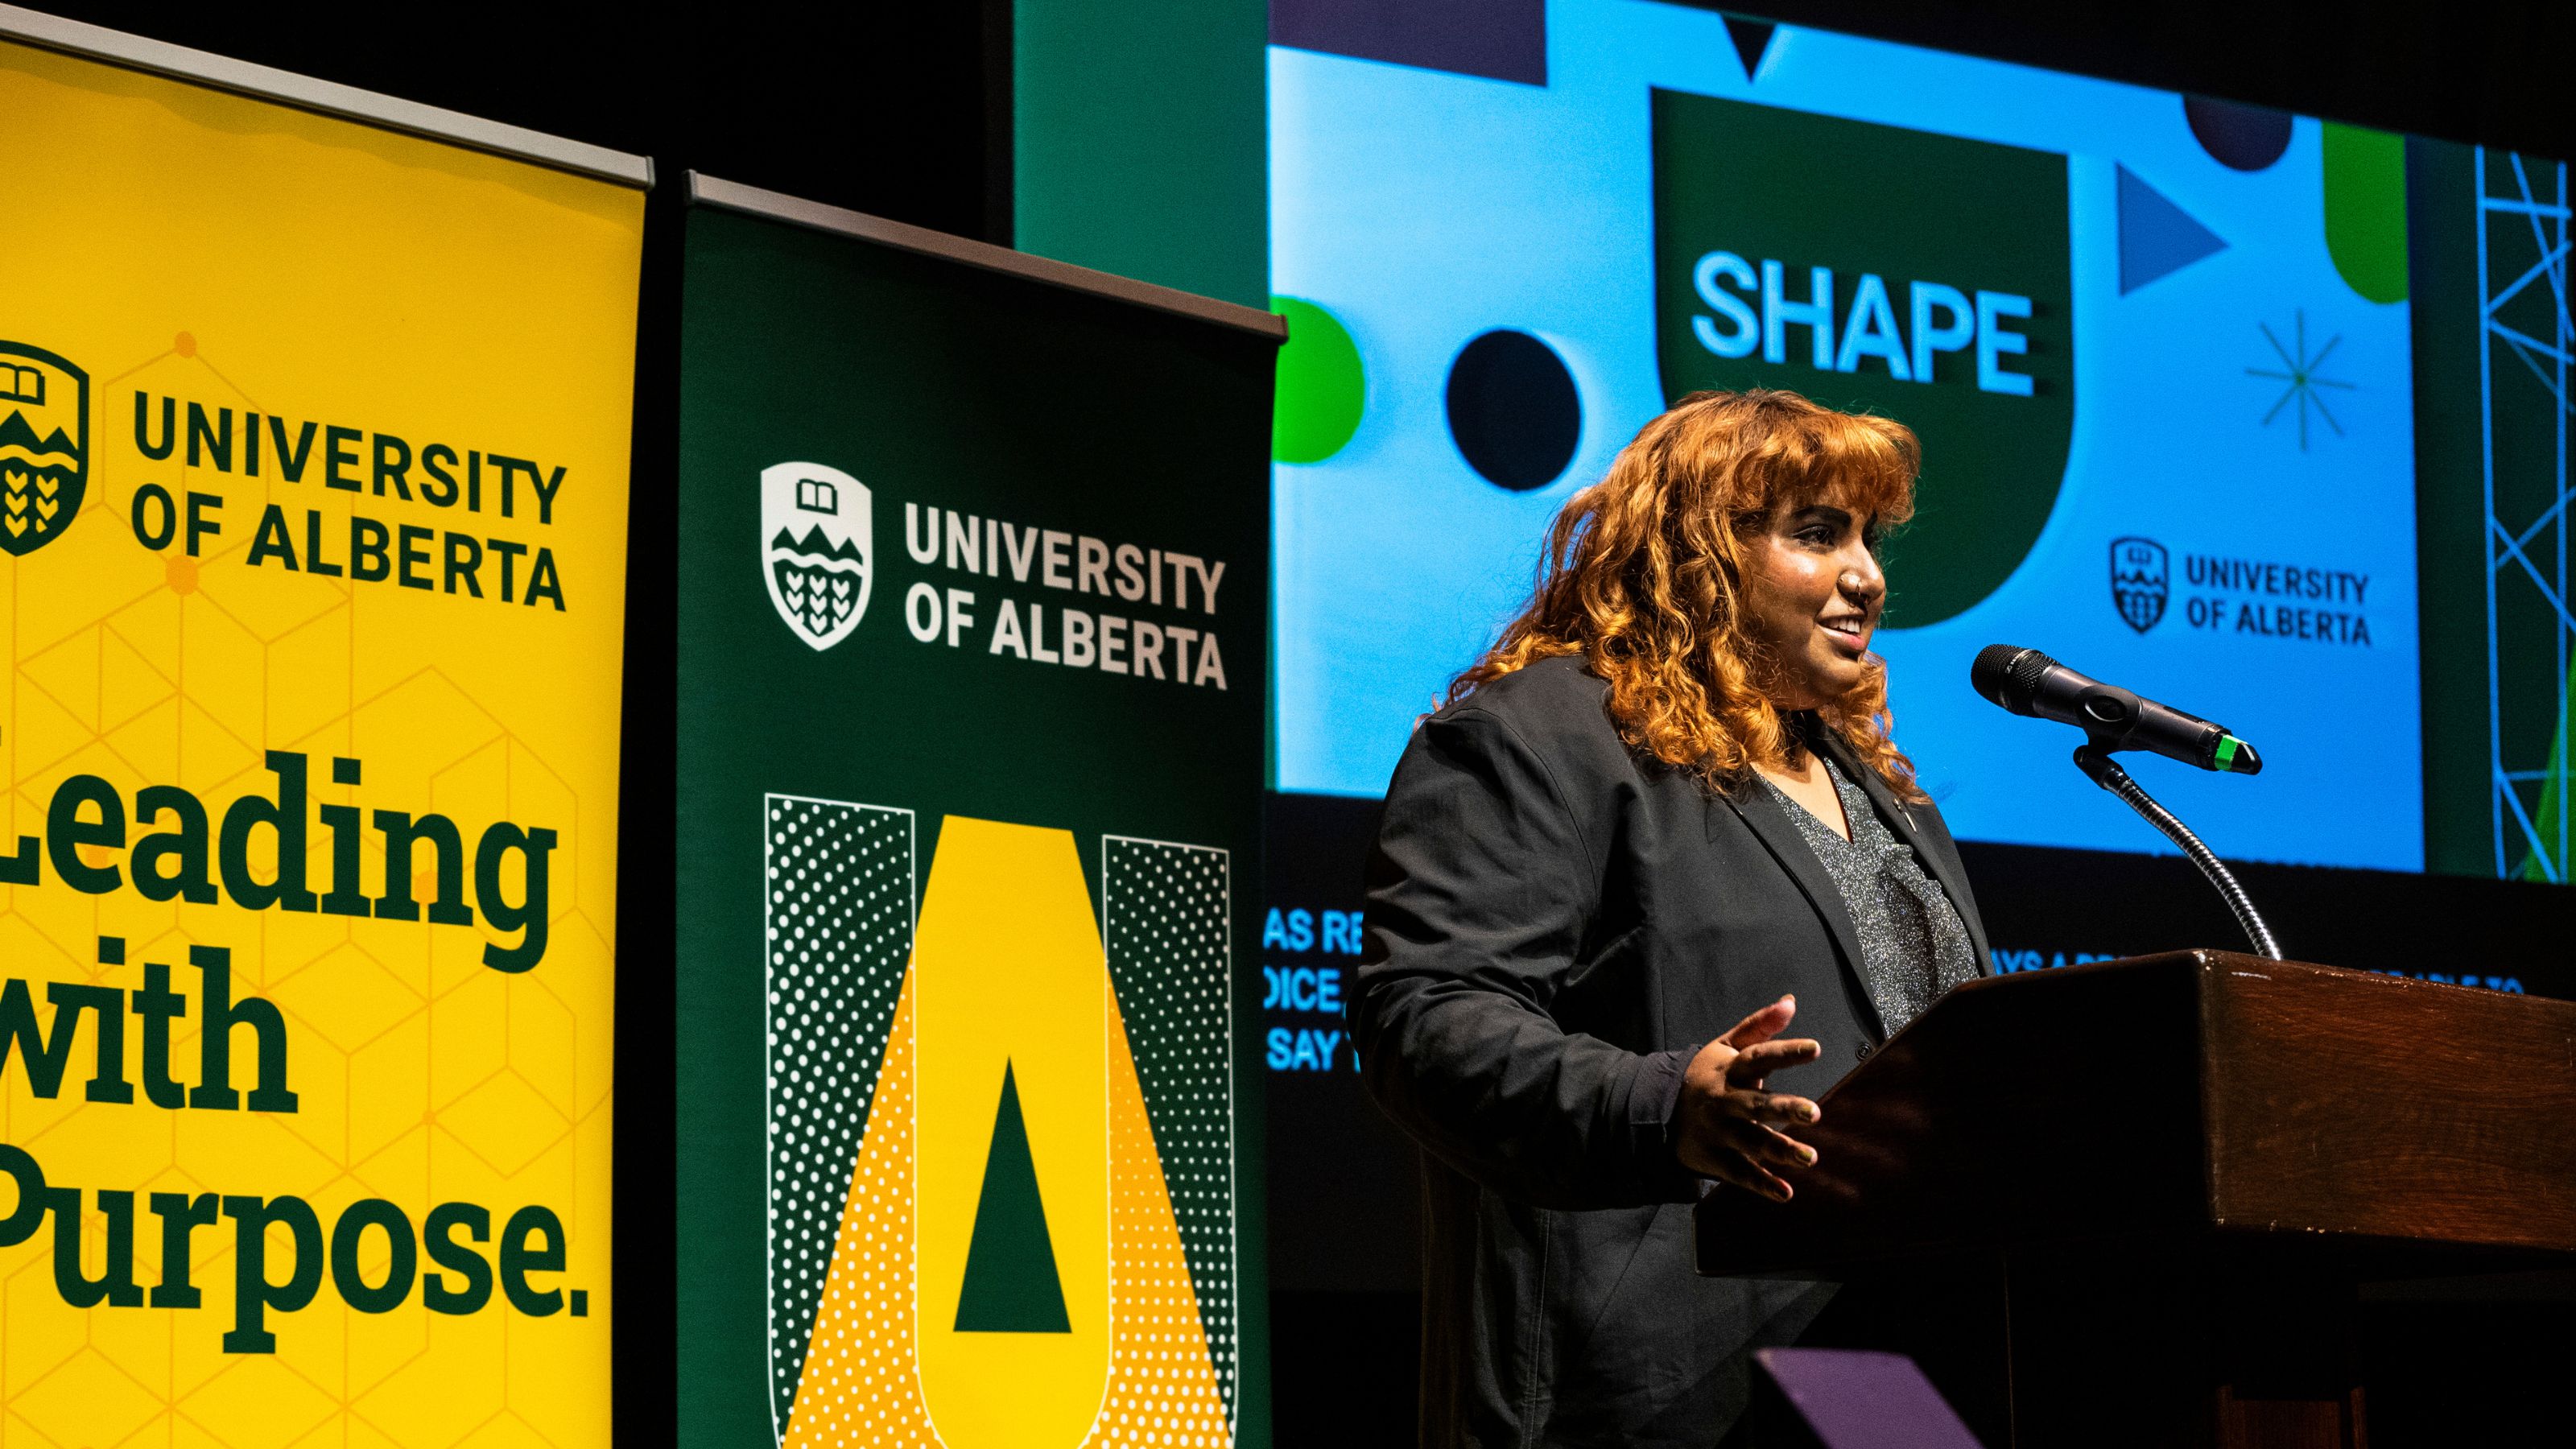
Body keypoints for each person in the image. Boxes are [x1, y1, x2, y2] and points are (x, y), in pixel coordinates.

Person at [1355, 388, 1992, 1447]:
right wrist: (1665, 1106)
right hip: (1661, 1392)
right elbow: (1425, 1016)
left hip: (1900, 1380)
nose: (1868, 577)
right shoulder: (1542, 740)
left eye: (1869, 539)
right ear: (1701, 547)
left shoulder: (1886, 793)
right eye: (1818, 534)